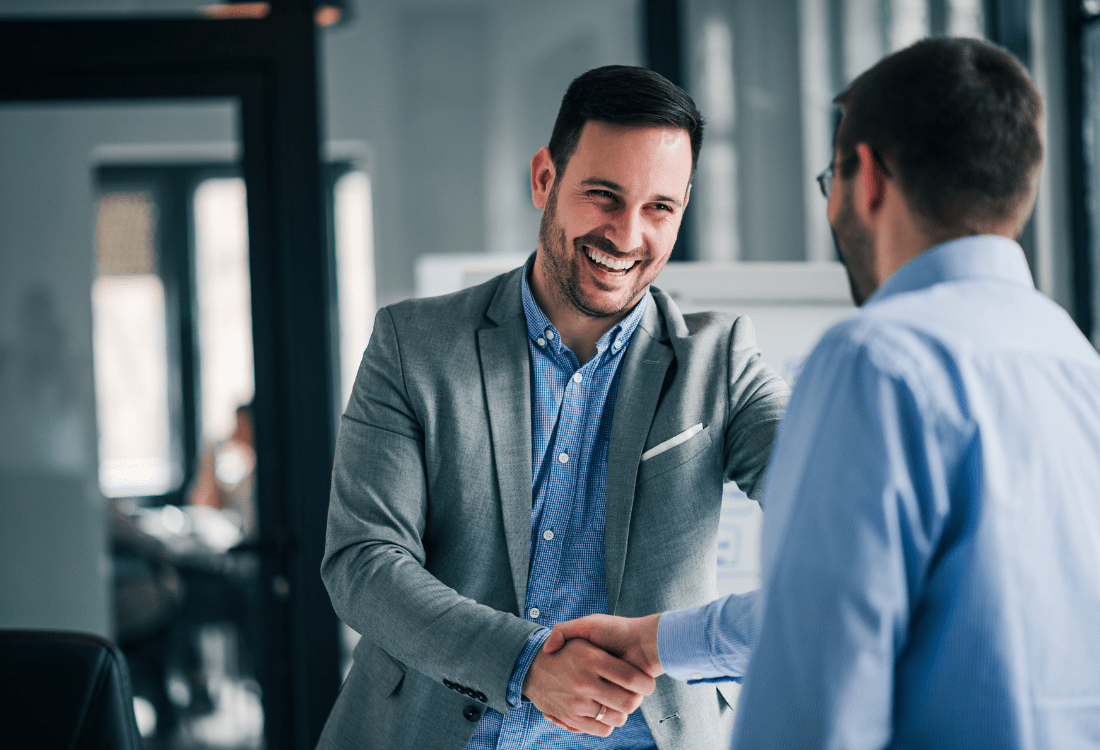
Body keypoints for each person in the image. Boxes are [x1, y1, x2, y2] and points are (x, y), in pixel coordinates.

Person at [546, 37, 1100, 748]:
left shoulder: (877, 360)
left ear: (864, 177)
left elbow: (816, 678)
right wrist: (659, 640)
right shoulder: (1075, 362)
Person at [316, 65, 789, 750]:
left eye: (660, 208)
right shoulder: (413, 345)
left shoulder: (720, 363)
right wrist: (525, 663)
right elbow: (362, 561)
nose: (627, 235)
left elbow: (842, 522)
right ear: (545, 179)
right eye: (604, 196)